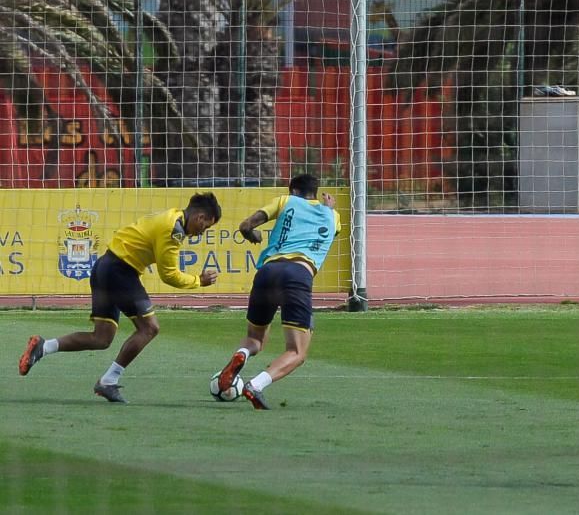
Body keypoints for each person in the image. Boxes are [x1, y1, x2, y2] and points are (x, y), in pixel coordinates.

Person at [18, 192, 222, 403]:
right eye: (205, 227)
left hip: (105, 266)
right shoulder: (174, 230)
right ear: (200, 217)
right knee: (149, 328)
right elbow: (169, 275)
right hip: (120, 271)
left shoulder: (171, 216)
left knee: (101, 338)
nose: (201, 232)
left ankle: (44, 347)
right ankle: (109, 381)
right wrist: (199, 280)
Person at [216, 174, 341, 410]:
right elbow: (328, 232)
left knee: (255, 338)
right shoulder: (333, 215)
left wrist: (253, 236)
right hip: (298, 274)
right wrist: (328, 208)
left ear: (292, 190)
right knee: (296, 351)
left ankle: (242, 353)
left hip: (267, 271)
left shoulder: (285, 201)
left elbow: (245, 226)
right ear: (316, 192)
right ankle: (255, 385)